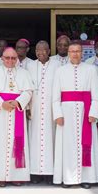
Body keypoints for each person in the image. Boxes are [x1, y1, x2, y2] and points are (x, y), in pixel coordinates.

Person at [0, 47, 34, 187]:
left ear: (17, 59)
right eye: (7, 58)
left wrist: (18, 102)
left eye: (13, 58)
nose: (10, 61)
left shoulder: (24, 73)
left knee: (17, 142)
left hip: (17, 111)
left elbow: (28, 92)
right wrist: (1, 103)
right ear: (2, 58)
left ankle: (16, 176)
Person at [53, 41, 98, 189]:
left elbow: (96, 95)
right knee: (67, 146)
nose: (75, 54)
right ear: (68, 53)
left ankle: (86, 177)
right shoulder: (60, 70)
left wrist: (93, 112)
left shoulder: (91, 69)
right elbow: (55, 97)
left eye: (78, 51)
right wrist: (58, 114)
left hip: (85, 112)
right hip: (66, 113)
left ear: (82, 53)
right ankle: (68, 178)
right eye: (72, 51)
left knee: (85, 144)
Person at [27, 41, 60, 184]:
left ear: (49, 51)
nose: (41, 53)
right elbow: (27, 88)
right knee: (34, 139)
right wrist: (28, 107)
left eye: (44, 50)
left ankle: (50, 173)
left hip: (51, 110)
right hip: (34, 109)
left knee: (51, 139)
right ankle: (35, 173)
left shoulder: (57, 65)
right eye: (38, 51)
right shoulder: (30, 66)